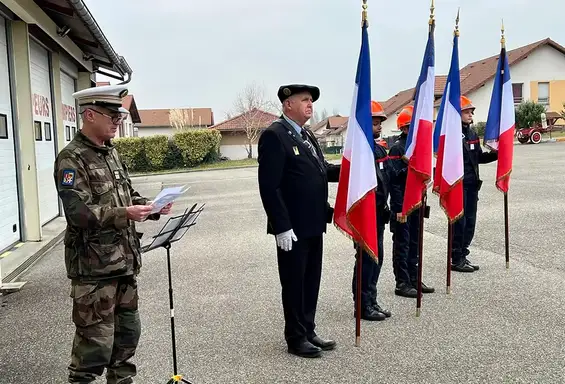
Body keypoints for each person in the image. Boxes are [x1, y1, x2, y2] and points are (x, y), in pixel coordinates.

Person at [53, 84, 172, 384]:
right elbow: (78, 213)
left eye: (119, 116)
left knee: (126, 343)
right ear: (89, 115)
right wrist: (125, 214)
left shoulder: (110, 152)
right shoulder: (72, 159)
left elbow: (126, 194)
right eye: (111, 116)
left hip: (123, 266)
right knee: (93, 351)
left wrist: (151, 207)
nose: (118, 121)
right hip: (95, 272)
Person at [257, 84, 340, 358]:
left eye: (311, 101)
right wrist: (281, 225)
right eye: (304, 100)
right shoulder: (275, 135)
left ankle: (308, 328)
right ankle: (295, 338)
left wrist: (351, 169)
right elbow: (270, 186)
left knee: (311, 280)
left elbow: (321, 170)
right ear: (287, 104)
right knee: (294, 283)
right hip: (292, 228)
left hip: (314, 223)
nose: (310, 105)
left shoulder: (306, 134)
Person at [388, 105, 435, 298]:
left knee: (415, 242)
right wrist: (399, 208)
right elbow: (395, 180)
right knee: (403, 243)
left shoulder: (418, 147)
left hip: (417, 202)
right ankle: (402, 282)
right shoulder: (398, 148)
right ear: (405, 129)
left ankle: (414, 278)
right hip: (403, 205)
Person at [352, 101, 392, 321]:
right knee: (366, 259)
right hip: (365, 215)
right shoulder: (360, 150)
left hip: (379, 213)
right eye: (375, 123)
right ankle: (362, 304)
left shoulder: (378, 148)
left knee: (377, 258)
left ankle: (372, 299)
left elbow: (386, 178)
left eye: (380, 123)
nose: (379, 127)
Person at [451, 96, 498, 273]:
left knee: (470, 222)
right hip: (458, 186)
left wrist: (497, 154)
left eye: (472, 112)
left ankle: (463, 253)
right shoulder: (451, 134)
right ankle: (456, 258)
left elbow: (478, 157)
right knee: (460, 223)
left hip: (472, 185)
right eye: (467, 111)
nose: (471, 114)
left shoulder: (471, 133)